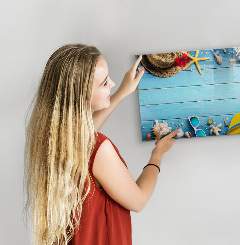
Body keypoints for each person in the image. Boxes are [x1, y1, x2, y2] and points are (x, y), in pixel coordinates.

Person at [24, 44, 178, 245]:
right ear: (82, 96)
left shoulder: (53, 138)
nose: (113, 83)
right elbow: (138, 200)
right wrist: (157, 155)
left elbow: (86, 136)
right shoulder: (99, 149)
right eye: (105, 83)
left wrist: (122, 92)